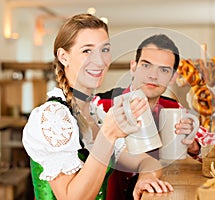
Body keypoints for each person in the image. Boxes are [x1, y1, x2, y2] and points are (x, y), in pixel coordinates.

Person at [22, 14, 173, 200]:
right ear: (63, 57)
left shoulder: (96, 113)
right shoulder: (52, 117)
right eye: (87, 51)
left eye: (105, 50)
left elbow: (147, 162)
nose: (101, 61)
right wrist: (108, 134)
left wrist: (145, 178)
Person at [96, 34, 205, 200]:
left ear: (172, 77)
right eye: (146, 65)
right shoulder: (100, 106)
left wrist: (194, 147)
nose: (153, 76)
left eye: (164, 70)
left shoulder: (174, 109)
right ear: (133, 67)